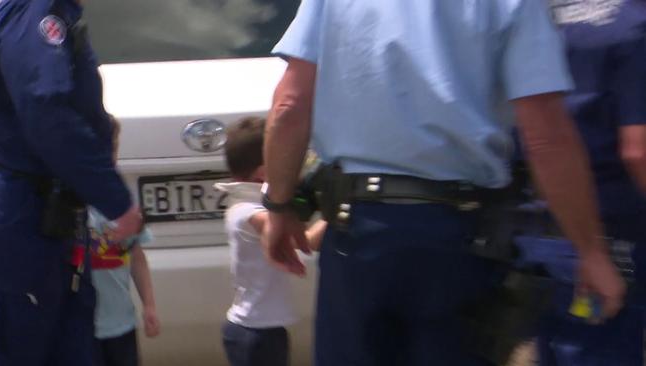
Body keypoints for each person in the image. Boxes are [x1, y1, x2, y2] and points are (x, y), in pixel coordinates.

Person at [261, 1, 625, 365]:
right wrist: (590, 250)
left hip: (355, 233)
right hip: (457, 239)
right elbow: (546, 136)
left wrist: (279, 205)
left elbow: (290, 104)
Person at [0, 0, 143, 365]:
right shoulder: (37, 12)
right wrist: (114, 199)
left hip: (46, 213)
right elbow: (45, 111)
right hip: (25, 215)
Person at [532, 1, 646, 364]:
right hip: (608, 243)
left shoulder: (534, 19)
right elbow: (638, 151)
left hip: (529, 232)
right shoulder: (637, 25)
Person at [215, 117, 325, 366]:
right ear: (264, 172)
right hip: (255, 333)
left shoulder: (245, 206)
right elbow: (305, 241)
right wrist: (336, 213)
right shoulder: (248, 212)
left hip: (261, 328)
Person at [91, 117, 160, 366]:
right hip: (79, 325)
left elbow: (136, 256)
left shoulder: (122, 201)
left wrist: (149, 305)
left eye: (111, 150)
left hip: (121, 323)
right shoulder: (66, 200)